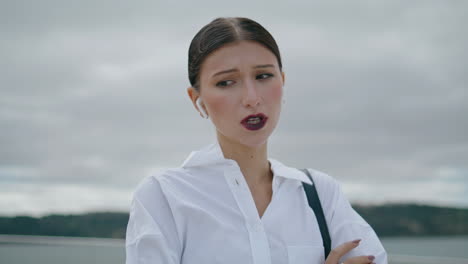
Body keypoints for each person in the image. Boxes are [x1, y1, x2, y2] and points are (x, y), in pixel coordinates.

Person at [125, 17, 387, 264]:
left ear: (282, 81)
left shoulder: (319, 192)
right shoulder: (163, 196)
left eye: (263, 76)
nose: (251, 97)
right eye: (226, 82)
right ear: (197, 100)